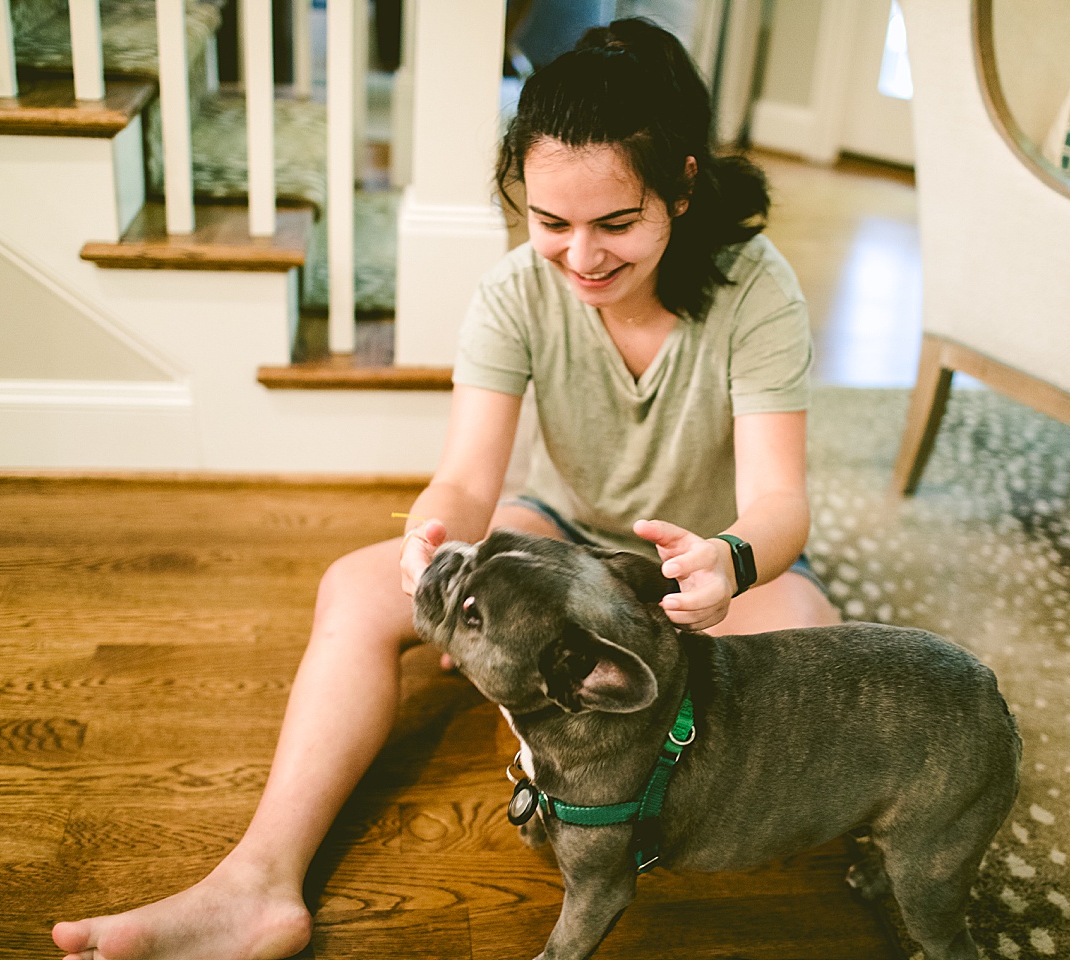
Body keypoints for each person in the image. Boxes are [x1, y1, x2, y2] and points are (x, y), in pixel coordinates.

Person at [51, 18, 839, 960]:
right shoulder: (514, 291)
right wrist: (431, 538)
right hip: (554, 533)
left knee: (817, 640)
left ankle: (576, 729)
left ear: (682, 183)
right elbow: (468, 477)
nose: (582, 256)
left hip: (686, 564)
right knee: (352, 585)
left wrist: (731, 560)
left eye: (617, 224)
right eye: (552, 223)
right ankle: (257, 885)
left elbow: (780, 505)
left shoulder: (760, 292)